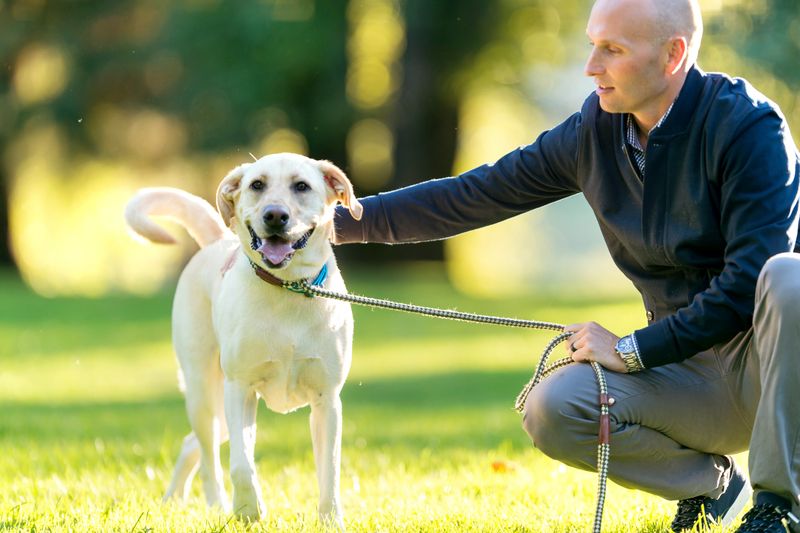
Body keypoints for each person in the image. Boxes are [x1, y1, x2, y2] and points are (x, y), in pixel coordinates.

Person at [333, 0, 800, 531]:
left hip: (773, 368)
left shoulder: (749, 127)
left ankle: (779, 507)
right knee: (553, 407)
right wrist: (326, 224)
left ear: (673, 55)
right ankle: (714, 488)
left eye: (612, 50)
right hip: (687, 373)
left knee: (789, 276)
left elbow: (747, 283)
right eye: (592, 45)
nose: (591, 66)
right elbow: (475, 193)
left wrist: (633, 350)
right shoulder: (594, 132)